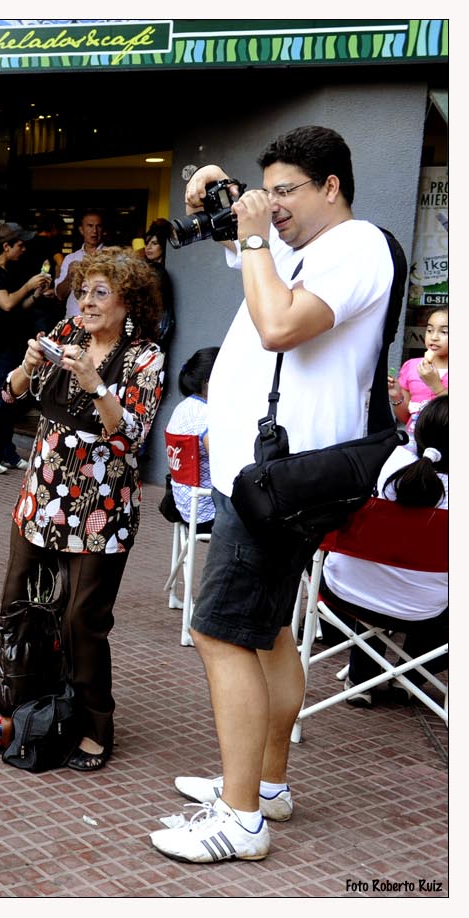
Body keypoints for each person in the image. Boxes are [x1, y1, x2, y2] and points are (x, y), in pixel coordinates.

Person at [154, 125, 395, 864]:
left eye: (287, 191)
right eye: (270, 192)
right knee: (269, 632)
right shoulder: (303, 247)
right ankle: (264, 786)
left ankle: (240, 817)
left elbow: (279, 323)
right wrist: (229, 197)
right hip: (256, 476)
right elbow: (256, 256)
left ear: (331, 186)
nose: (274, 206)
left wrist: (257, 238)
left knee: (222, 632)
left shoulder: (357, 248)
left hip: (279, 478)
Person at [0, 247, 165, 768]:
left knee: (82, 619)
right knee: (17, 605)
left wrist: (97, 386)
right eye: (82, 290)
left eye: (100, 292)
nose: (86, 302)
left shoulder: (144, 357)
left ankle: (96, 724)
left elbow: (130, 436)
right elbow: (8, 395)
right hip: (42, 496)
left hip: (100, 506)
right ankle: (19, 701)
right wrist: (25, 367)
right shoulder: (65, 336)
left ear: (128, 303)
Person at [321, 393, 448, 706]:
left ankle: (362, 677)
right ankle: (412, 677)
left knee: (374, 577)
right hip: (423, 609)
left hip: (344, 592)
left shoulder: (379, 462)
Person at [0, 222, 53, 475]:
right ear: (6, 247)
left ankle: (6, 453)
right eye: (20, 245)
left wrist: (37, 295)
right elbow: (6, 303)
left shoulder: (7, 271)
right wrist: (29, 286)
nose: (23, 249)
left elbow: (17, 307)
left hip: (10, 343)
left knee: (9, 399)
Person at [161, 347, 220, 532]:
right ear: (209, 382)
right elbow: (223, 463)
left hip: (183, 505)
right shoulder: (206, 415)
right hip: (208, 514)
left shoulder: (183, 407)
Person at [388, 307, 448, 443]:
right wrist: (396, 396)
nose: (434, 337)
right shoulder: (411, 367)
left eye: (444, 332)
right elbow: (406, 418)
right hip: (415, 442)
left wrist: (436, 386)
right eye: (429, 330)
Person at [54, 209, 106, 319]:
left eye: (98, 226)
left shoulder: (111, 257)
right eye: (90, 226)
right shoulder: (70, 258)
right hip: (74, 319)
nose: (94, 231)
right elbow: (60, 295)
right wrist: (69, 277)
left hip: (101, 320)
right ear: (81, 230)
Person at [140, 219, 176, 352]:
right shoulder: (148, 269)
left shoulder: (158, 273)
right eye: (147, 243)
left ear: (163, 245)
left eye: (154, 243)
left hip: (153, 335)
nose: (148, 247)